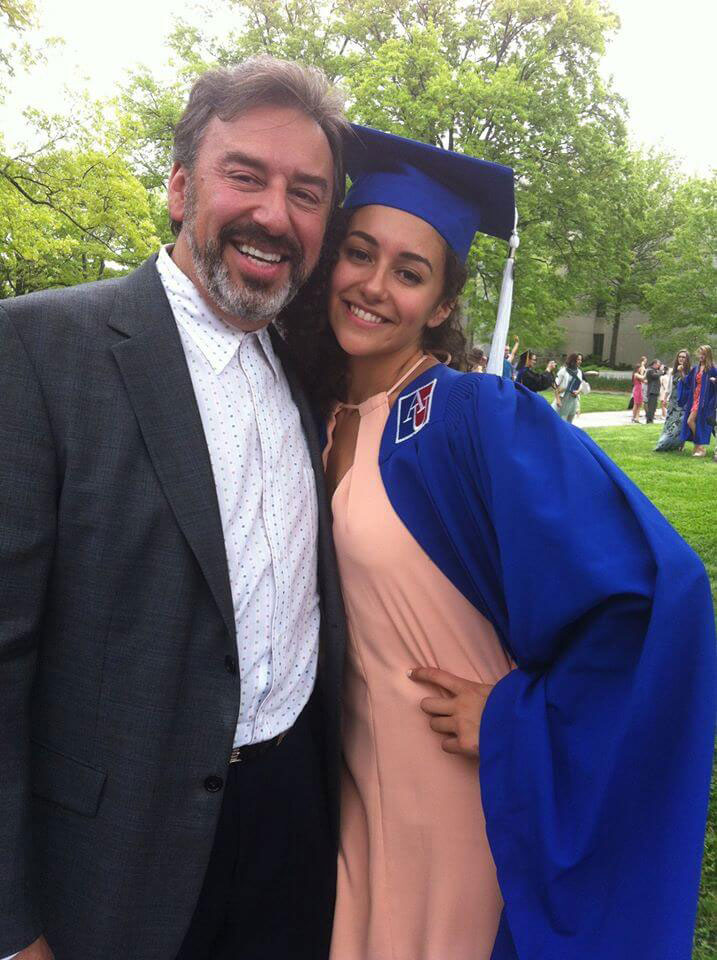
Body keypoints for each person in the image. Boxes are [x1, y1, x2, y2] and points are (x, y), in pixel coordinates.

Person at [279, 124, 716, 960]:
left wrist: (516, 720)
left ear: (441, 305)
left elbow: (662, 592)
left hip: (455, 794)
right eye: (358, 254)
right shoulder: (317, 415)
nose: (373, 286)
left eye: (409, 273)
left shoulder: (473, 417)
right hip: (353, 792)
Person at [0, 58, 349, 960]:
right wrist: (11, 924)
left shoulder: (306, 373)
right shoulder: (40, 350)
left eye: (307, 193)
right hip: (112, 863)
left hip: (289, 833)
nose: (275, 214)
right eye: (246, 176)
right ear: (180, 185)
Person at [680, 345, 717, 457]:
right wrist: (682, 372)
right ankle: (698, 448)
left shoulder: (712, 369)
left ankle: (700, 447)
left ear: (708, 355)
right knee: (692, 422)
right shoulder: (696, 368)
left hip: (704, 400)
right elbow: (687, 381)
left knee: (690, 421)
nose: (701, 356)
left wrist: (715, 380)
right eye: (700, 353)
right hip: (695, 398)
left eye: (704, 354)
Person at [655, 350, 690, 452]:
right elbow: (669, 387)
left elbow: (688, 384)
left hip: (684, 402)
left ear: (687, 359)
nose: (681, 359)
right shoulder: (673, 371)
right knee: (669, 423)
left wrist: (682, 371)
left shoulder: (690, 371)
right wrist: (665, 398)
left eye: (683, 357)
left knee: (680, 425)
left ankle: (680, 445)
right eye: (680, 357)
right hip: (673, 401)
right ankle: (664, 444)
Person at [554, 352, 590, 422]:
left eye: (581, 360)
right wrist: (558, 399)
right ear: (573, 360)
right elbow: (555, 385)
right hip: (563, 399)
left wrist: (578, 391)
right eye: (578, 359)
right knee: (560, 421)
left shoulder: (579, 372)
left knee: (570, 422)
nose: (580, 361)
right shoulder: (563, 371)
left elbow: (581, 385)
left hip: (573, 400)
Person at [644, 359, 663, 423]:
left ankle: (651, 419)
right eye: (658, 364)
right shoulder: (650, 370)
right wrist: (660, 370)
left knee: (654, 407)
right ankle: (649, 420)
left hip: (655, 391)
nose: (659, 365)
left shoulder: (654, 370)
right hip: (652, 391)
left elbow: (660, 374)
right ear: (654, 364)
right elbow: (656, 375)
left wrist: (661, 370)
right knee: (651, 407)